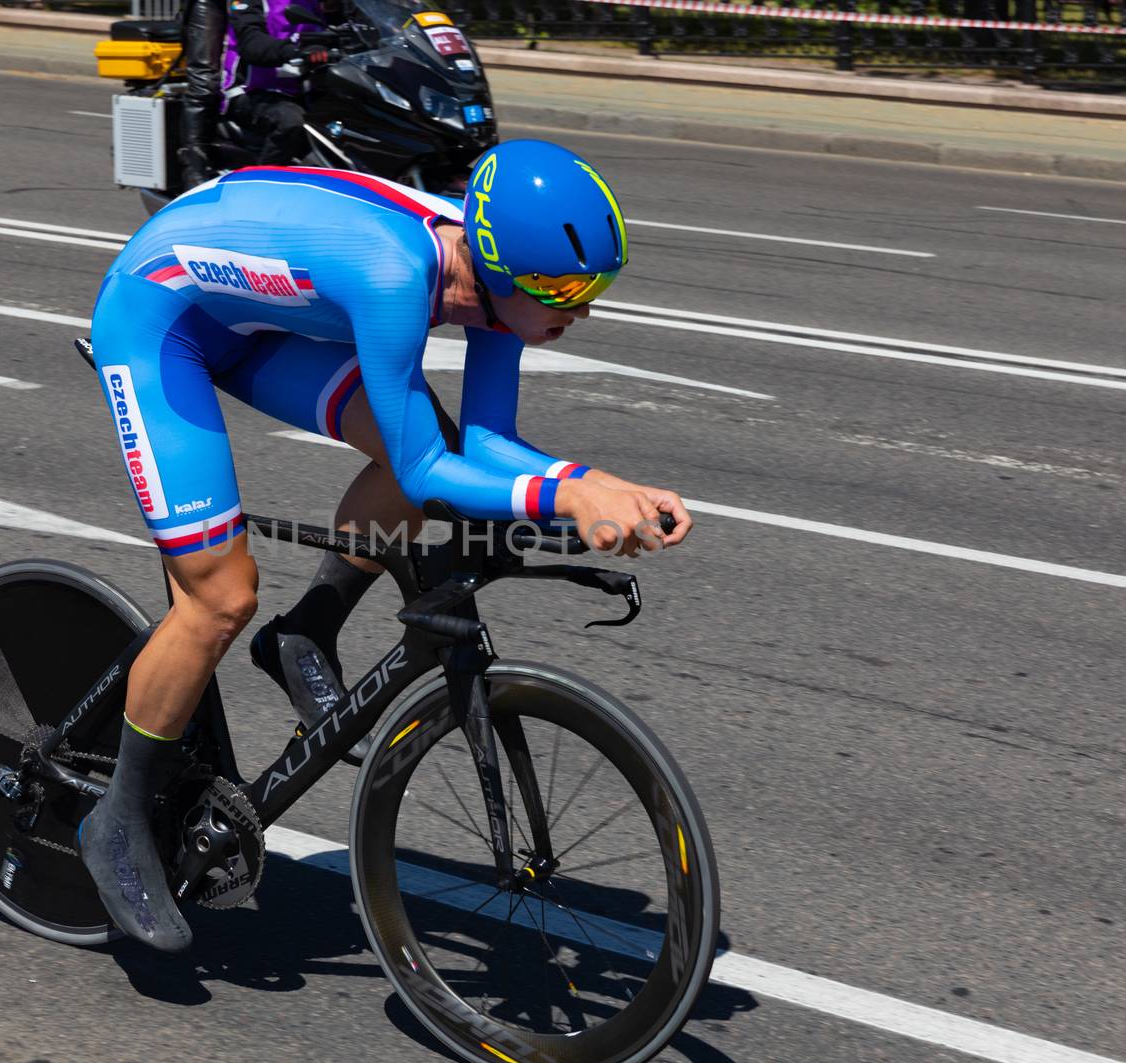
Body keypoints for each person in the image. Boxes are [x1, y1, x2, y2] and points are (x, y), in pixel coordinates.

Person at [77, 140, 692, 953]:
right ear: (505, 270)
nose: (581, 311)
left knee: (429, 446)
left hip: (259, 320)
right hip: (160, 322)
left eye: (594, 291)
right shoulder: (395, 272)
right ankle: (116, 820)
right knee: (219, 596)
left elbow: (487, 442)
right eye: (567, 291)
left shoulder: (494, 284)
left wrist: (603, 485)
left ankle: (307, 630)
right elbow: (429, 469)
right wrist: (568, 495)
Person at [177, 0, 317, 189]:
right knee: (204, 80)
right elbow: (251, 42)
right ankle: (195, 170)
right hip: (250, 87)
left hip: (292, 86)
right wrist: (293, 51)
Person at [220, 0, 337, 168]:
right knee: (291, 122)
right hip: (250, 91)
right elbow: (252, 43)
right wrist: (294, 51)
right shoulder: (252, 3)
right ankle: (261, 185)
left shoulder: (315, 4)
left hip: (303, 92)